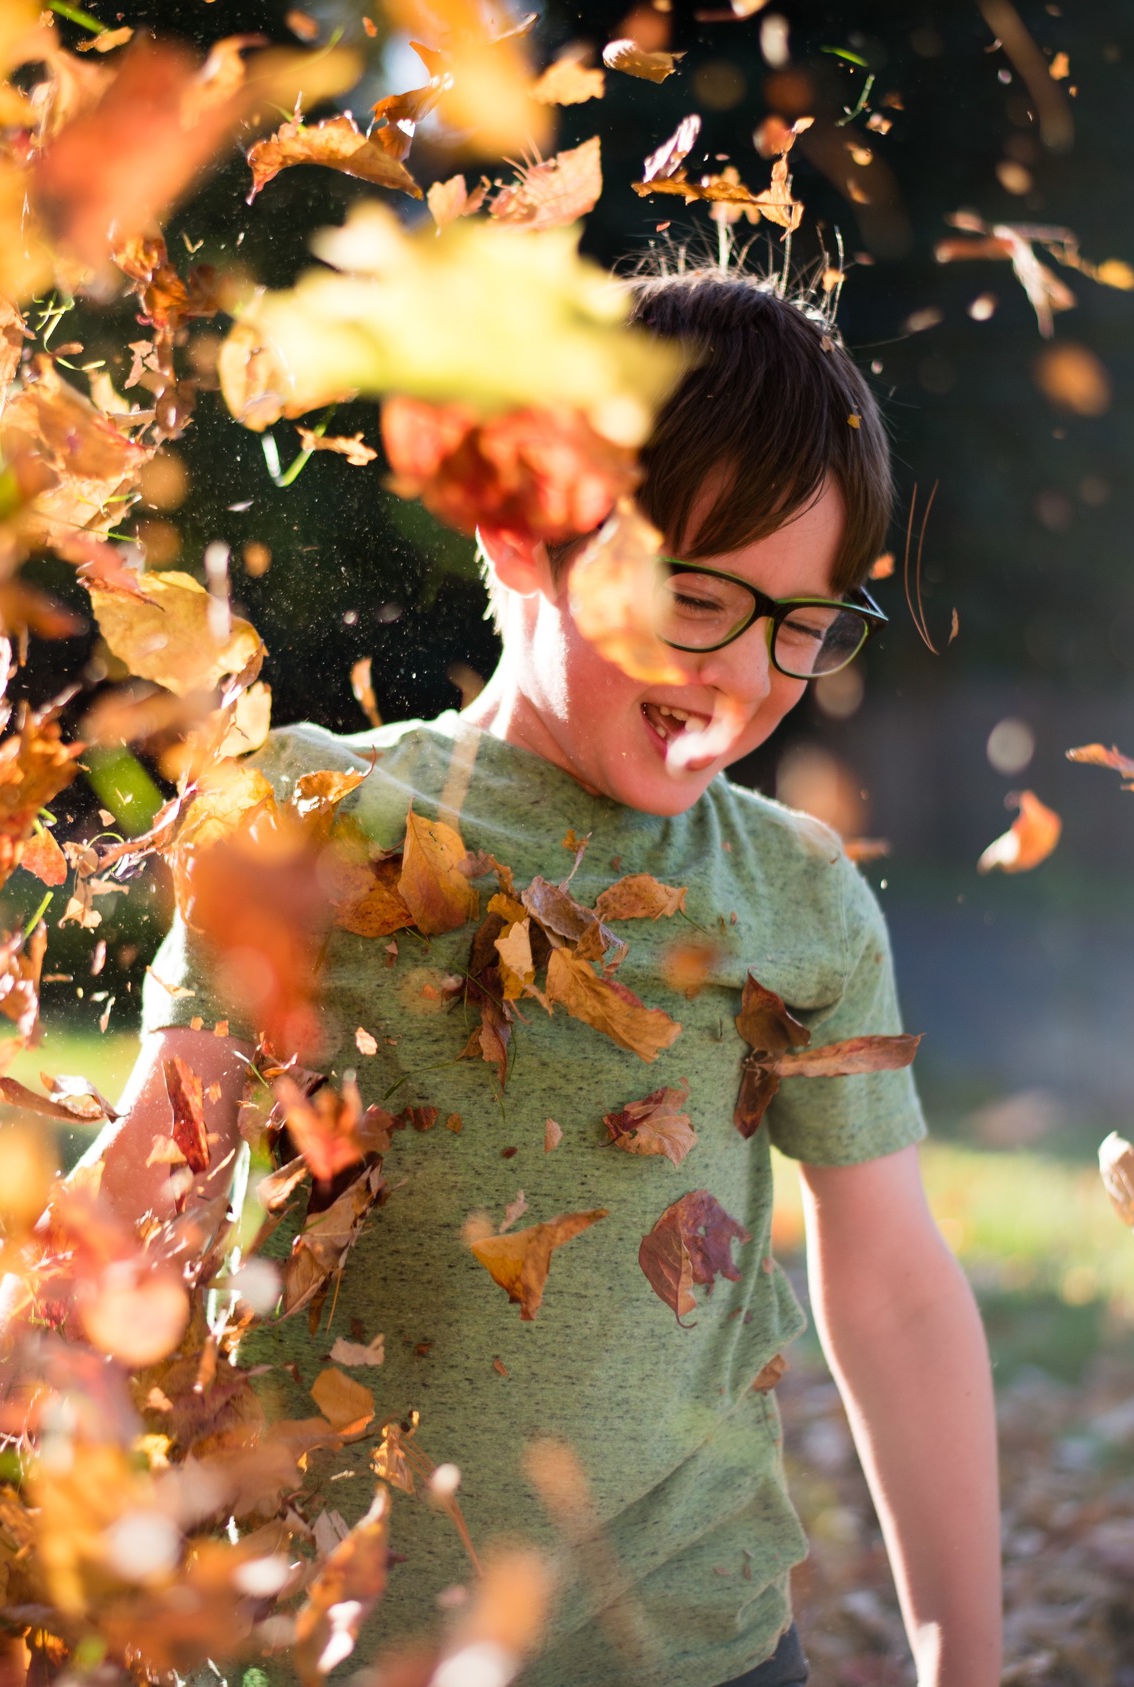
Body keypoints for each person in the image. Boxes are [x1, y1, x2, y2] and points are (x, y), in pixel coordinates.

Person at [90, 269, 1002, 1687]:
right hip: (323, 1650)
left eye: (803, 626)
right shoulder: (313, 818)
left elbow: (891, 1288)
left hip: (692, 1651)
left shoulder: (796, 894)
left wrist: (968, 1662)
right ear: (522, 531)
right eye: (695, 594)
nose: (748, 675)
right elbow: (141, 1202)